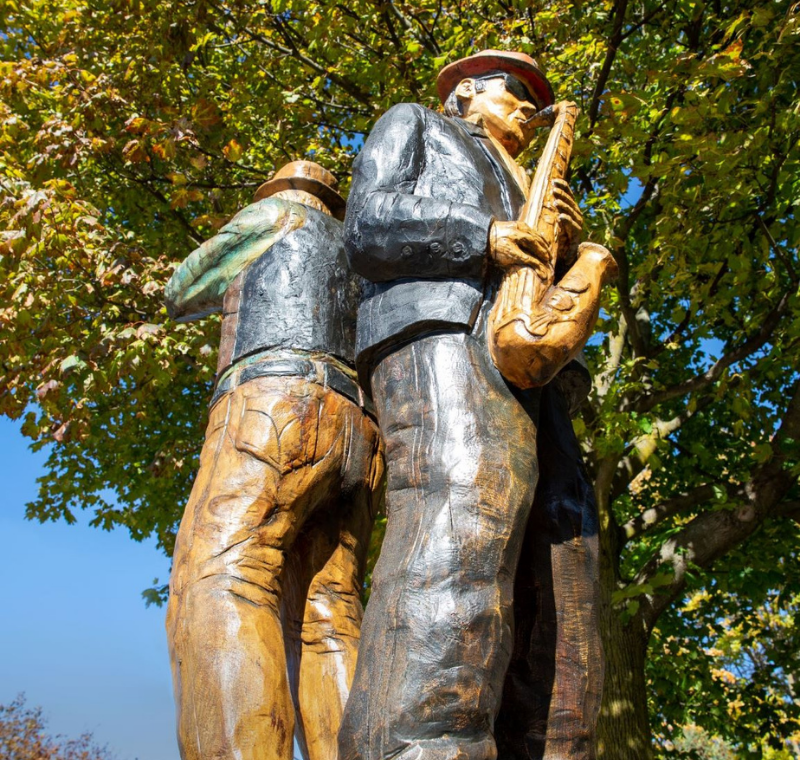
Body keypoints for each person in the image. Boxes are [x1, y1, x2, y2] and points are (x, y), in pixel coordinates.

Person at [337, 50, 617, 760]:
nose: (528, 107)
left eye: (534, 101)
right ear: (465, 95)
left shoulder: (530, 176)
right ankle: (418, 744)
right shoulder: (417, 125)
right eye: (513, 94)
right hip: (445, 330)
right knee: (464, 524)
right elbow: (369, 227)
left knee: (567, 557)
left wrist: (560, 255)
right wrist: (487, 236)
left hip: (532, 368)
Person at [164, 161, 384, 760]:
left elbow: (183, 288)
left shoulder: (275, 215)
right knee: (332, 613)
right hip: (359, 430)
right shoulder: (366, 255)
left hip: (273, 401)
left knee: (223, 577)